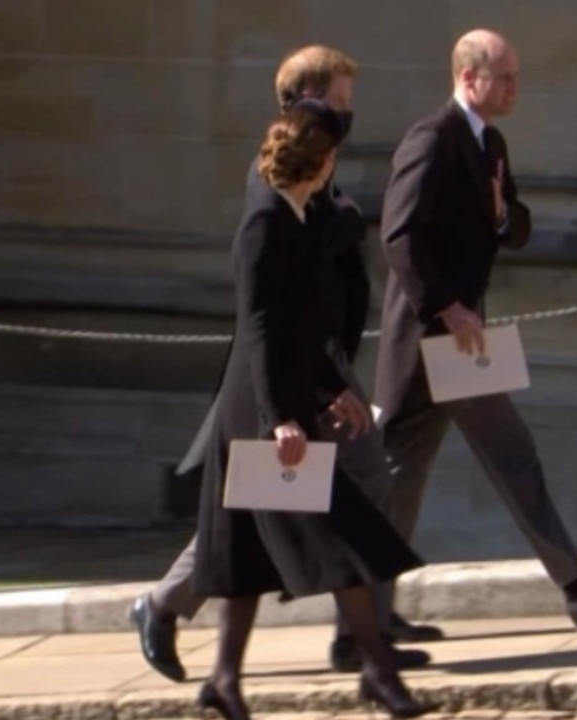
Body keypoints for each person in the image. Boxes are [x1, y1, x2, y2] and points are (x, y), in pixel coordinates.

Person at [129, 46, 439, 683]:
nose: (349, 118)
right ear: (304, 102)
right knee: (280, 500)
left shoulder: (317, 164)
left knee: (301, 493)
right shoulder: (276, 173)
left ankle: (353, 637)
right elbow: (273, 301)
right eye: (340, 103)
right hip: (288, 370)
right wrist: (304, 398)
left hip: (318, 360)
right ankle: (352, 641)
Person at [373, 28, 577, 630]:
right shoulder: (432, 139)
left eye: (516, 76)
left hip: (461, 337)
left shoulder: (489, 143)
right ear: (468, 79)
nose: (515, 87)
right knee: (496, 457)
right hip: (434, 336)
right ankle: (575, 587)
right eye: (504, 77)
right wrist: (447, 306)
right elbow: (399, 236)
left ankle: (365, 621)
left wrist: (502, 215)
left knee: (408, 473)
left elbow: (516, 226)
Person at [191, 101, 436, 720]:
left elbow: (304, 326)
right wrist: (282, 418)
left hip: (284, 406)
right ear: (321, 162)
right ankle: (379, 672)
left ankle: (224, 681)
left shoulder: (295, 217)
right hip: (259, 417)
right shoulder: (265, 222)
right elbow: (261, 329)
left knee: (247, 557)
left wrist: (335, 388)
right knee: (344, 536)